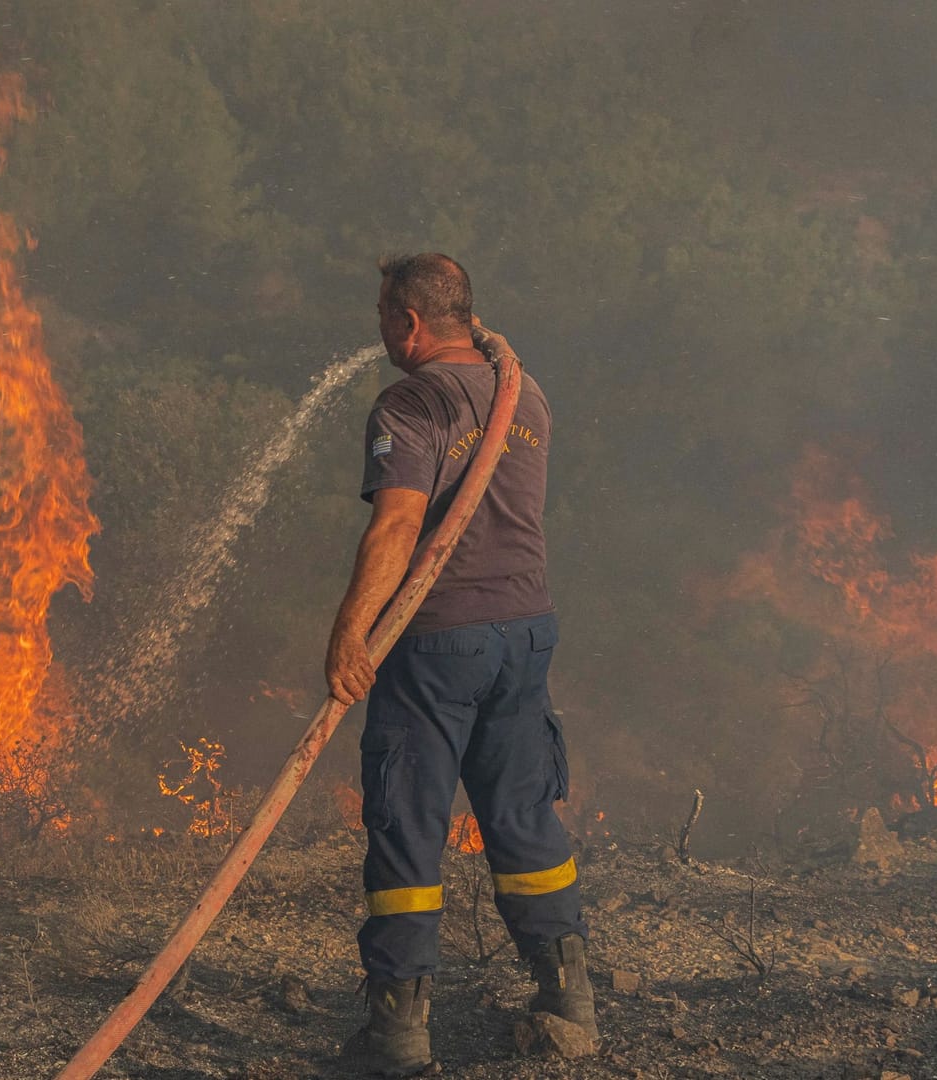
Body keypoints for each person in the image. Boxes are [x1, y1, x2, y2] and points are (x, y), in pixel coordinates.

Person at [325, 253, 591, 1076]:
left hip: (438, 641)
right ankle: (568, 998)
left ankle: (398, 1038)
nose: (378, 333)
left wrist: (349, 632)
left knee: (408, 825)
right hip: (525, 631)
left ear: (409, 322)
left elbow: (398, 527)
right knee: (522, 816)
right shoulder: (525, 393)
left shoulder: (413, 401)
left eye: (382, 318)